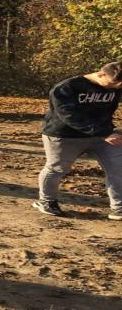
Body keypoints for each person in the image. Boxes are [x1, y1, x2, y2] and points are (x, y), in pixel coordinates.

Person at [33, 61, 122, 220]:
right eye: (114, 83)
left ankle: (119, 207)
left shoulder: (116, 86)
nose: (117, 87)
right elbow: (69, 116)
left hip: (101, 135)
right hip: (64, 136)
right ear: (101, 74)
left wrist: (107, 131)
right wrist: (103, 132)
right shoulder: (66, 88)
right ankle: (46, 201)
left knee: (118, 167)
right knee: (57, 169)